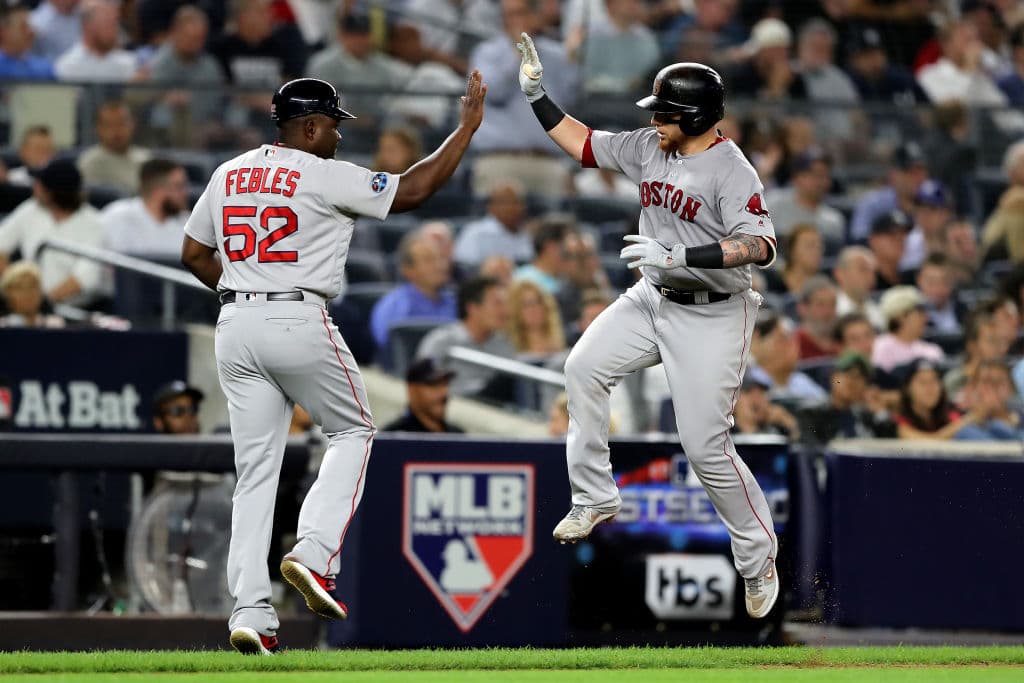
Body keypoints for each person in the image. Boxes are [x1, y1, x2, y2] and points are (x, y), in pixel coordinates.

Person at [179, 74, 488, 655]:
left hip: (235, 322)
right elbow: (414, 191)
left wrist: (246, 288)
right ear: (311, 126)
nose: (339, 138)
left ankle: (249, 612)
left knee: (255, 474)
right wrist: (465, 127)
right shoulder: (320, 172)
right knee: (354, 428)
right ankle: (314, 553)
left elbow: (194, 253)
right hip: (296, 316)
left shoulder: (228, 173)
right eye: (334, 127)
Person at [516, 39, 781, 617]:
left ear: (694, 118)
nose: (653, 120)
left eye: (664, 112)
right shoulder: (649, 146)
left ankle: (758, 557)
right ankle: (593, 497)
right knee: (582, 368)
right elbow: (583, 145)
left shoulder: (732, 170)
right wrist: (537, 96)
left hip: (713, 312)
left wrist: (685, 257)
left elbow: (760, 245)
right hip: (651, 297)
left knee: (705, 448)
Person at [469, 0, 578, 199]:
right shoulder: (487, 52)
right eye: (509, 15)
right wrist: (519, 53)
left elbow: (570, 100)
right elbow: (491, 94)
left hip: (548, 161)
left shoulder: (557, 55)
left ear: (535, 16)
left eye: (520, 13)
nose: (513, 20)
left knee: (553, 226)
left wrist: (573, 59)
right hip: (500, 160)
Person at [0, 159, 107, 308]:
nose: (34, 186)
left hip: (76, 310)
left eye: (40, 184)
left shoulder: (94, 223)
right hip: (26, 309)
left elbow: (86, 277)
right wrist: (15, 288)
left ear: (52, 193)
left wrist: (44, 302)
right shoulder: (30, 209)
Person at [415, 275, 515, 399]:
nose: (505, 310)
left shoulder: (505, 344)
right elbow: (420, 385)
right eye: (497, 304)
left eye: (506, 303)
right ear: (472, 308)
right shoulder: (441, 341)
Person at [369, 229, 456, 351]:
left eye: (441, 258)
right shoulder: (393, 306)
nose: (440, 265)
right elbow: (390, 351)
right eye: (428, 260)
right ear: (408, 270)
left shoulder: (457, 303)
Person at [797, 352, 896, 444]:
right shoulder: (812, 413)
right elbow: (811, 451)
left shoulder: (866, 416)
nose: (853, 382)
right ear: (833, 377)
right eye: (848, 374)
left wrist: (880, 411)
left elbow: (890, 447)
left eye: (860, 378)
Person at [102, 159, 190, 260]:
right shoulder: (116, 216)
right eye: (179, 187)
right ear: (157, 191)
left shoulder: (189, 224)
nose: (185, 193)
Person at [850, 142, 928, 243]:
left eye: (921, 171)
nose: (918, 178)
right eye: (911, 172)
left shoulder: (933, 204)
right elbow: (859, 239)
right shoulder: (873, 204)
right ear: (894, 174)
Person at [748, 312, 828, 403]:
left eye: (793, 340)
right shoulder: (746, 383)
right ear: (756, 343)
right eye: (782, 339)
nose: (793, 347)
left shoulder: (801, 381)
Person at [452, 181, 532, 270]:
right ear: (490, 206)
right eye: (506, 202)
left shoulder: (527, 234)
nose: (514, 207)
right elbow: (464, 269)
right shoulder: (475, 233)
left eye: (518, 202)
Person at [77, 101, 152, 194]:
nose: (116, 131)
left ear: (132, 124)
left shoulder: (146, 159)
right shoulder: (89, 163)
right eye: (109, 125)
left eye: (122, 124)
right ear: (98, 128)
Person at [54, 0, 136, 82]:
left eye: (115, 24)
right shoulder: (68, 66)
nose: (114, 31)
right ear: (88, 26)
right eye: (108, 23)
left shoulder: (129, 64)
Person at [895, 358, 973, 440]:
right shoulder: (899, 421)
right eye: (923, 382)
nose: (930, 388)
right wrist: (970, 418)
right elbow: (928, 444)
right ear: (907, 388)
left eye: (934, 381)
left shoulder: (950, 413)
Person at [872, 286, 945, 373]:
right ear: (901, 316)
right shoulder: (880, 346)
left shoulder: (932, 351)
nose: (926, 318)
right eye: (920, 312)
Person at [381, 357, 463, 433]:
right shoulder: (394, 437)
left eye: (445, 384)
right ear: (412, 390)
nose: (443, 393)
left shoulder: (458, 435)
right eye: (434, 385)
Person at [506, 278, 566, 356]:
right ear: (516, 310)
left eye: (538, 302)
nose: (533, 309)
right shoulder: (509, 346)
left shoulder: (559, 341)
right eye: (526, 305)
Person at [731, 373, 800, 439]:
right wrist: (746, 424)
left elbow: (796, 441)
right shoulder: (725, 430)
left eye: (761, 393)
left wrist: (788, 425)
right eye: (748, 392)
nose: (756, 400)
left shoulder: (773, 428)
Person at [513, 218, 571, 295]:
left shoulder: (567, 280)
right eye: (567, 251)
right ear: (551, 247)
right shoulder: (524, 279)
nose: (571, 257)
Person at [0, 261, 65, 328]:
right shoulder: (2, 326)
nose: (28, 293)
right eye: (20, 287)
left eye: (33, 286)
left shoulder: (55, 326)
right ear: (7, 293)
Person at [833, 246, 884, 330]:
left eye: (873, 271)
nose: (871, 277)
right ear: (840, 274)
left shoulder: (878, 311)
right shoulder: (831, 312)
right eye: (863, 269)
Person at [0, 3, 55, 80]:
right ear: (3, 32)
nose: (31, 32)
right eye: (23, 27)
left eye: (30, 26)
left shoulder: (44, 68)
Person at [766, 223, 822, 296]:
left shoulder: (823, 287)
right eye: (810, 246)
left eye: (819, 247)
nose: (816, 252)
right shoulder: (773, 283)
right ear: (792, 250)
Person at [916, 253, 963, 334]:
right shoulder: (909, 314)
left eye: (945, 282)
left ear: (953, 282)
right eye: (931, 282)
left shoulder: (964, 311)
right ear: (919, 280)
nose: (937, 289)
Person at [794, 275, 839, 360]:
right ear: (802, 308)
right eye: (820, 304)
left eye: (833, 304)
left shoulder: (844, 340)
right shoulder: (794, 345)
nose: (828, 311)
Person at [867, 209, 912, 290]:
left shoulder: (911, 280)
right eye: (892, 234)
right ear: (873, 240)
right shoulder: (867, 280)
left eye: (903, 234)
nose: (899, 239)